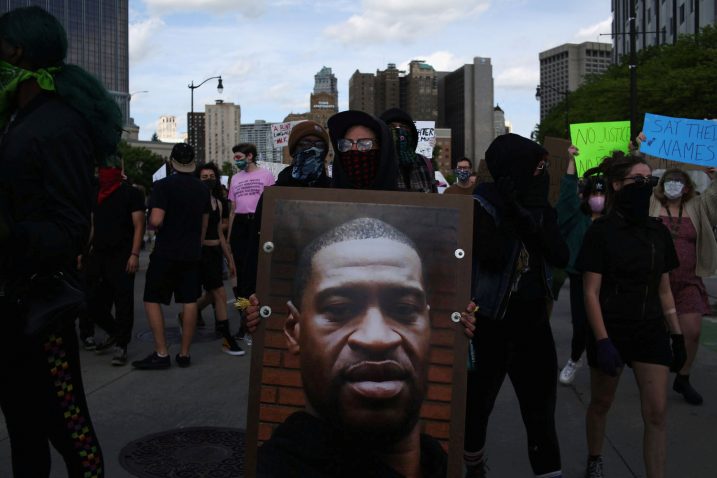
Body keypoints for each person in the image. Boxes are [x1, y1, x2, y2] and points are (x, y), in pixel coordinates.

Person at [0, 6, 122, 476]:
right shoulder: (16, 119)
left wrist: (7, 231)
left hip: (40, 308)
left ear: (17, 51)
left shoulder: (57, 124)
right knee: (23, 430)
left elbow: (71, 227)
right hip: (9, 305)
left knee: (71, 432)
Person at [257, 217, 447, 477]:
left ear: (429, 326)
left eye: (404, 309)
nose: (377, 338)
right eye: (339, 309)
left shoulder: (443, 463)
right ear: (294, 331)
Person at [576, 151, 686, 478]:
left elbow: (664, 289)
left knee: (657, 413)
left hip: (650, 329)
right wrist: (603, 340)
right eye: (636, 180)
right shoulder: (601, 232)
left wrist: (676, 334)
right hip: (611, 329)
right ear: (616, 185)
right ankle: (594, 458)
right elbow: (590, 292)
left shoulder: (658, 232)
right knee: (601, 403)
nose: (644, 186)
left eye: (648, 181)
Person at [465, 133, 569, 478]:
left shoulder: (539, 206)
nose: (543, 173)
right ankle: (473, 466)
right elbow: (492, 256)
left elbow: (559, 254)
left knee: (541, 412)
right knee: (475, 410)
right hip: (489, 325)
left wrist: (532, 217)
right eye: (537, 167)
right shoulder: (480, 205)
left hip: (533, 323)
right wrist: (512, 213)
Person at [132, 143, 210, 369]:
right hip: (192, 252)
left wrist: (152, 223)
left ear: (172, 162)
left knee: (152, 298)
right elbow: (204, 226)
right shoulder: (202, 189)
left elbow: (156, 220)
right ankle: (184, 354)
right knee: (189, 301)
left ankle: (162, 352)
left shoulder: (163, 186)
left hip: (166, 251)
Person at [650, 166, 717, 405]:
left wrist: (715, 178)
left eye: (678, 181)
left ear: (688, 187)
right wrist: (636, 152)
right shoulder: (652, 205)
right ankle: (653, 379)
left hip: (688, 281)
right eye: (669, 180)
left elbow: (714, 201)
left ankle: (683, 377)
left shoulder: (697, 206)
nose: (673, 184)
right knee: (657, 335)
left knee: (693, 331)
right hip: (656, 283)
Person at [84, 154, 146, 366]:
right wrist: (84, 250)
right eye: (103, 166)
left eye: (111, 166)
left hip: (122, 255)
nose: (106, 170)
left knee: (123, 303)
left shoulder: (131, 193)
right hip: (98, 254)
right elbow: (94, 224)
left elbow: (139, 225)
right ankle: (114, 333)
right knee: (91, 301)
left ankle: (122, 345)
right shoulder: (97, 193)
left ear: (119, 168)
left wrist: (134, 254)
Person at [555, 146, 606, 385]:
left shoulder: (614, 220)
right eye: (594, 193)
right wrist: (571, 163)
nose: (598, 198)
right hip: (580, 278)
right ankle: (575, 359)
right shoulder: (576, 216)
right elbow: (566, 196)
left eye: (602, 193)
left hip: (607, 279)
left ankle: (600, 359)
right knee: (581, 325)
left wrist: (634, 154)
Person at [227, 142, 275, 344]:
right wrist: (229, 237)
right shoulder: (235, 178)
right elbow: (233, 208)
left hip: (258, 225)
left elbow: (272, 204)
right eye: (235, 158)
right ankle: (243, 320)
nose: (236, 161)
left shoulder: (266, 175)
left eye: (239, 157)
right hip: (240, 225)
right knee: (239, 278)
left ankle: (260, 319)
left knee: (257, 273)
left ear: (250, 156)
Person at [194, 161, 243, 355]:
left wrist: (228, 258)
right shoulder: (196, 201)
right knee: (217, 294)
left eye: (212, 176)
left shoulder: (219, 203)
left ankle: (187, 315)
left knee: (214, 294)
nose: (208, 180)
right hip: (200, 254)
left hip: (214, 254)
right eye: (204, 177)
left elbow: (219, 234)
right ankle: (227, 337)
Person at [379, 107, 437, 193]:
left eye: (403, 126)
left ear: (411, 133)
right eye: (392, 126)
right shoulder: (376, 164)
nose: (398, 130)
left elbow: (434, 199)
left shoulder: (424, 163)